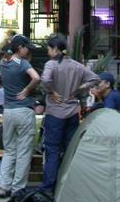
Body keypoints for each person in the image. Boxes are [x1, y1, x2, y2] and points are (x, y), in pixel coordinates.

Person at [40, 34, 99, 193]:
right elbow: (95, 79)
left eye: (49, 49)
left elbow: (45, 80)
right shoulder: (77, 66)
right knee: (69, 149)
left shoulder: (51, 64)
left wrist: (51, 91)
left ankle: (48, 188)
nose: (47, 52)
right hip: (72, 113)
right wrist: (79, 89)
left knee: (52, 150)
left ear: (55, 49)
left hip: (55, 113)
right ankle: (68, 186)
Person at [0, 35, 40, 198]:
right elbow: (36, 78)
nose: (28, 51)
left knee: (9, 150)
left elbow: (7, 57)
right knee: (23, 152)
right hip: (24, 112)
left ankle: (3, 186)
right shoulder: (23, 64)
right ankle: (17, 189)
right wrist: (27, 90)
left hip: (8, 112)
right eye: (26, 48)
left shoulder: (3, 63)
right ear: (20, 48)